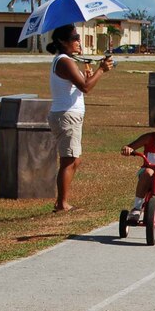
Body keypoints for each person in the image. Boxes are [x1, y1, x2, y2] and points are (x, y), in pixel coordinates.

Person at [46, 23, 113, 212]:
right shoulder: (65, 61)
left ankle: (62, 201)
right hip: (66, 115)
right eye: (74, 38)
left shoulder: (66, 61)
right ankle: (61, 203)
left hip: (69, 115)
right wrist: (101, 70)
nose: (78, 41)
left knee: (75, 160)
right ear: (62, 41)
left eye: (78, 37)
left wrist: (88, 76)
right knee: (68, 160)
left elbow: (80, 86)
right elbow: (85, 87)